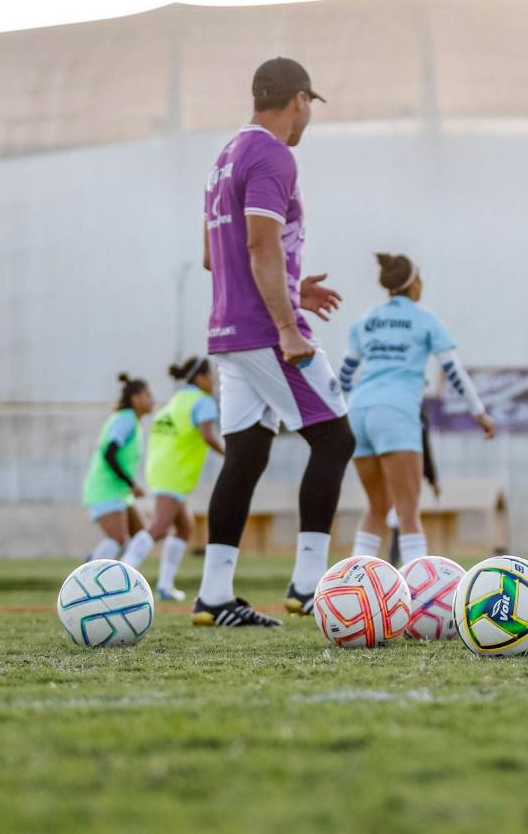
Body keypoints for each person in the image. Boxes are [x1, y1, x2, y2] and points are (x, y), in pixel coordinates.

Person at [194, 56, 352, 627]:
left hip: (227, 330)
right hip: (264, 332)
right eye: (309, 104)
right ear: (299, 100)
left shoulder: (225, 156)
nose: (308, 115)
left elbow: (216, 256)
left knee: (248, 454)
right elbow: (260, 245)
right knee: (335, 439)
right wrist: (287, 324)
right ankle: (310, 586)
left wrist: (291, 285)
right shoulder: (272, 154)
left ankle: (214, 596)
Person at [338, 253, 496, 563]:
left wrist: (338, 417)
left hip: (357, 411)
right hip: (395, 411)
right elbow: (453, 371)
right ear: (415, 284)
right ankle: (418, 593)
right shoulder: (425, 320)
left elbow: (344, 374)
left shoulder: (366, 321)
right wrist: (478, 412)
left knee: (376, 507)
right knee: (408, 511)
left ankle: (351, 587)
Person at [120, 357, 224, 602]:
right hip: (175, 472)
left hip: (162, 468)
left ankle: (165, 586)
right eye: (211, 375)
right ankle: (121, 575)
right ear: (199, 378)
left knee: (185, 527)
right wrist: (233, 455)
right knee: (158, 527)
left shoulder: (178, 399)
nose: (215, 380)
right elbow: (209, 436)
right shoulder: (202, 401)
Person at [83, 375, 153, 564]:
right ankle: (89, 572)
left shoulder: (132, 421)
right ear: (135, 398)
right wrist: (132, 484)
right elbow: (109, 454)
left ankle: (124, 583)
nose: (152, 400)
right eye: (148, 395)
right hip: (105, 489)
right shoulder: (125, 420)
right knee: (119, 541)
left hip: (119, 491)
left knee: (142, 535)